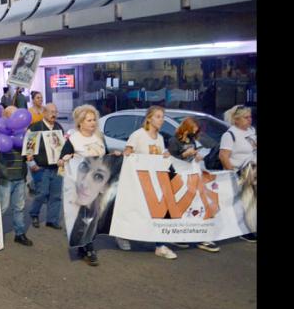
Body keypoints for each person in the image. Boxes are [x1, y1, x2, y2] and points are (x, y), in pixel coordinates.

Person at [58, 105, 121, 266]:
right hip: (81, 186)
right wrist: (65, 159)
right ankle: (88, 248)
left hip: (98, 185)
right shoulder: (73, 140)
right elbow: (61, 160)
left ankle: (84, 244)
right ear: (80, 122)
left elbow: (104, 157)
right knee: (86, 215)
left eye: (94, 120)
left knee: (96, 215)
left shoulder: (99, 137)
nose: (93, 123)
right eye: (89, 120)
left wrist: (113, 155)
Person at [123, 105, 177, 260]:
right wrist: (127, 154)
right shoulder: (138, 135)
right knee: (134, 210)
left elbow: (159, 156)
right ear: (149, 118)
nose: (162, 119)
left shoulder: (160, 138)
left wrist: (165, 155)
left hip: (155, 181)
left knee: (159, 211)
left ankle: (160, 245)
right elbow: (128, 153)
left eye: (163, 116)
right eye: (158, 116)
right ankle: (122, 234)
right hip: (139, 181)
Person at [167, 117, 220, 253]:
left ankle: (197, 235)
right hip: (181, 176)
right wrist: (187, 153)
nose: (195, 130)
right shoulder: (174, 140)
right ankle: (179, 235)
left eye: (196, 128)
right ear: (187, 127)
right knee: (184, 204)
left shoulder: (191, 140)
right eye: (194, 128)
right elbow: (173, 158)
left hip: (193, 174)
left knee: (197, 203)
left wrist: (195, 155)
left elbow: (190, 156)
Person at [219, 105, 257, 242]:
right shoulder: (230, 135)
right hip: (241, 172)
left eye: (250, 117)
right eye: (246, 118)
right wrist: (232, 174)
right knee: (249, 202)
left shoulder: (251, 131)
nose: (249, 120)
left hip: (253, 169)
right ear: (236, 120)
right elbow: (223, 156)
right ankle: (249, 230)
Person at [27, 103, 64, 230]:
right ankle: (34, 214)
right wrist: (31, 163)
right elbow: (29, 148)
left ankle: (52, 220)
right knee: (41, 193)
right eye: (51, 111)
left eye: (56, 112)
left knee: (56, 195)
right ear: (44, 112)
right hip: (41, 167)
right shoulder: (35, 127)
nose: (54, 114)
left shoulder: (59, 127)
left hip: (57, 167)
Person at [0, 143, 32, 247]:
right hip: (5, 179)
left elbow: (26, 155)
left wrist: (28, 157)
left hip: (20, 177)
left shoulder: (22, 136)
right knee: (1, 208)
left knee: (19, 207)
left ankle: (19, 234)